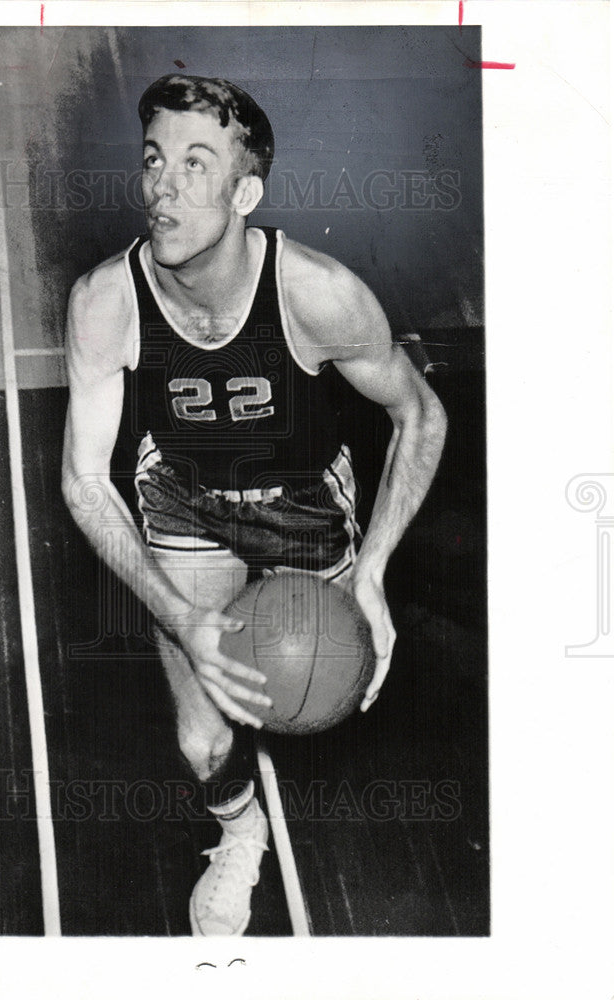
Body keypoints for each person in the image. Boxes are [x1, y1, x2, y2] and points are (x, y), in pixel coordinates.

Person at [61, 74, 447, 936]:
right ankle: (240, 832)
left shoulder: (317, 293)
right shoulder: (105, 302)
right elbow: (85, 480)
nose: (164, 185)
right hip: (186, 502)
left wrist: (376, 572)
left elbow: (418, 411)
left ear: (245, 193)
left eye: (197, 165)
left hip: (304, 503)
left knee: (331, 686)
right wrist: (176, 616)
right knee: (203, 743)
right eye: (156, 159)